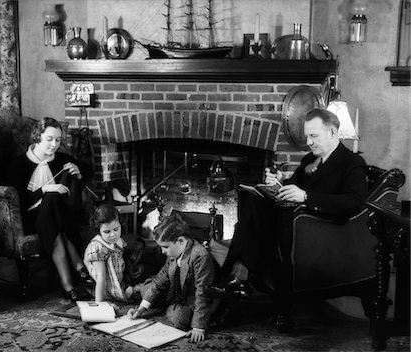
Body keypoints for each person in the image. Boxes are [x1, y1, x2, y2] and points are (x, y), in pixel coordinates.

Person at [205, 108, 368, 331]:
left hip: (319, 234)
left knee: (259, 217)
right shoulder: (312, 159)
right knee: (255, 200)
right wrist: (279, 181)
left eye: (314, 136)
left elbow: (354, 203)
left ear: (332, 132)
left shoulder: (352, 163)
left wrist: (307, 196)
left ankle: (237, 278)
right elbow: (294, 185)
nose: (308, 142)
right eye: (307, 136)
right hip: (292, 225)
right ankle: (238, 278)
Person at [7, 117, 94, 302]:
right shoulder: (17, 165)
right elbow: (17, 201)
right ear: (37, 136)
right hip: (30, 220)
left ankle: (67, 285)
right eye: (49, 139)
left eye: (58, 140)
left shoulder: (62, 159)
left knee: (53, 208)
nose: (54, 145)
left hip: (56, 218)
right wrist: (45, 189)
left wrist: (79, 172)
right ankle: (78, 266)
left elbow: (89, 171)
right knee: (52, 198)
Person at [127, 213, 217, 343]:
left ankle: (168, 306)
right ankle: (154, 297)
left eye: (165, 247)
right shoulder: (174, 253)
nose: (163, 251)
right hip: (175, 292)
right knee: (148, 289)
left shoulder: (200, 256)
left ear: (180, 241)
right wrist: (141, 308)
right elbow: (160, 281)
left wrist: (198, 327)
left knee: (179, 318)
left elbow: (202, 293)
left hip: (192, 300)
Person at [83, 202, 144, 302]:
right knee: (139, 294)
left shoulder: (117, 241)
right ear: (99, 230)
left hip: (120, 280)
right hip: (105, 288)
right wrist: (100, 305)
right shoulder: (97, 248)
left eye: (116, 229)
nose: (113, 235)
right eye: (107, 232)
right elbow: (101, 278)